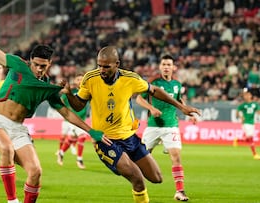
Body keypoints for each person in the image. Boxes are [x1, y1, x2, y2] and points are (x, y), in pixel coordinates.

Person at [0, 6, 111, 203]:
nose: (39, 69)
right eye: (36, 65)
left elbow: (67, 113)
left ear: (49, 64)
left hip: (18, 128)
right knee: (7, 149)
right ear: (30, 61)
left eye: (43, 66)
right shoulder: (17, 65)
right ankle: (12, 201)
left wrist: (91, 131)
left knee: (35, 172)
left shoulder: (46, 87)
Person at [62, 46, 200, 203]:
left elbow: (154, 90)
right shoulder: (90, 78)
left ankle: (125, 163)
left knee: (157, 178)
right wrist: (69, 95)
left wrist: (181, 107)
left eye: (106, 66)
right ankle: (124, 164)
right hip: (105, 140)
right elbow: (79, 105)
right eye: (99, 65)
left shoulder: (130, 79)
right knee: (138, 179)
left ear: (117, 64)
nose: (101, 69)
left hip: (130, 138)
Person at [136, 54, 194, 201]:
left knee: (176, 157)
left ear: (173, 67)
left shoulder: (177, 85)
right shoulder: (153, 82)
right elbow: (138, 98)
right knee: (142, 158)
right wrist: (151, 108)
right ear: (160, 67)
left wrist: (188, 113)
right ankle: (139, 190)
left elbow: (180, 101)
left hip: (171, 126)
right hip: (153, 126)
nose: (166, 67)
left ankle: (180, 191)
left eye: (169, 64)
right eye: (164, 64)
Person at [57, 73, 89, 169]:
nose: (80, 81)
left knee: (72, 139)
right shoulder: (71, 92)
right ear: (74, 81)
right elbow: (61, 101)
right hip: (72, 120)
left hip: (82, 120)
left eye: (81, 79)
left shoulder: (87, 92)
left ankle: (61, 153)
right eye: (78, 79)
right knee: (82, 137)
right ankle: (79, 160)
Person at [233, 88, 260, 160]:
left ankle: (238, 140)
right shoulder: (243, 105)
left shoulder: (255, 104)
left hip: (252, 123)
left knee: (248, 139)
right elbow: (237, 111)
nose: (245, 97)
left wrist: (258, 112)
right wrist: (241, 117)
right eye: (245, 95)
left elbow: (258, 111)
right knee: (251, 139)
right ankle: (255, 154)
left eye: (247, 95)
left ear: (250, 96)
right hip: (246, 123)